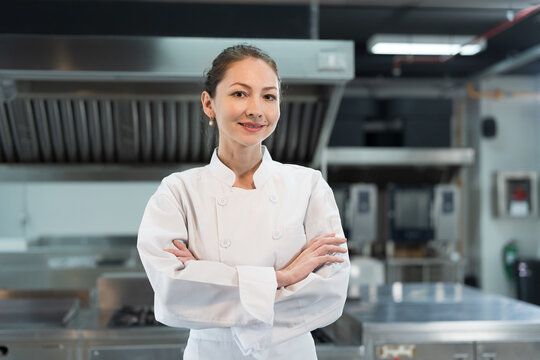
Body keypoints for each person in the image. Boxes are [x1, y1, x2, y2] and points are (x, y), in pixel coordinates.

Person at [137, 44, 350, 360]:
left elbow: (328, 294)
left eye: (269, 96)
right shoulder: (178, 191)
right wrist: (282, 278)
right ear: (209, 104)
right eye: (240, 94)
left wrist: (209, 281)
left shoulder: (309, 186)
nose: (256, 109)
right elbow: (173, 294)